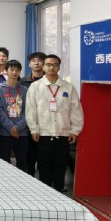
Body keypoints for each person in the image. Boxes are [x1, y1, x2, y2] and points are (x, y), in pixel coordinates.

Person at [26, 55, 84, 193]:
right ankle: (45, 194)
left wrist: (75, 130)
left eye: (55, 65)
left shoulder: (68, 87)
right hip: (43, 134)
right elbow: (30, 109)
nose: (51, 67)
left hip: (63, 133)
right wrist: (33, 129)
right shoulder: (35, 87)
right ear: (43, 67)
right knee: (43, 166)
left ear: (59, 67)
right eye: (48, 64)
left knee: (60, 165)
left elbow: (75, 110)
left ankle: (58, 192)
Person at [0, 60, 29, 172]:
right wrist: (10, 128)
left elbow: (27, 111)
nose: (14, 72)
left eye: (17, 70)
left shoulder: (25, 90)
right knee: (4, 164)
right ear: (6, 70)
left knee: (22, 163)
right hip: (4, 133)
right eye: (12, 69)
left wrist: (18, 127)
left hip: (21, 133)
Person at [21, 52, 47, 177]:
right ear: (29, 64)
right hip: (28, 123)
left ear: (44, 63)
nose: (36, 63)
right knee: (29, 156)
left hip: (45, 123)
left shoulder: (50, 80)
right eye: (33, 60)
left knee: (45, 157)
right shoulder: (23, 81)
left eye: (39, 60)